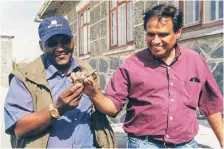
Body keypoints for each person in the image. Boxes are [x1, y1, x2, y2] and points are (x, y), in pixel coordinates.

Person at [70, 4, 223, 148]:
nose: (155, 41)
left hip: (186, 144)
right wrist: (93, 93)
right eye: (150, 34)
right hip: (144, 144)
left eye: (163, 35)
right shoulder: (132, 65)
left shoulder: (194, 60)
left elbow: (211, 106)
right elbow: (112, 107)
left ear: (178, 32)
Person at [4, 16, 115, 148]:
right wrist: (57, 108)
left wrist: (93, 93)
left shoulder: (87, 71)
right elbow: (19, 129)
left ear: (72, 41)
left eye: (65, 41)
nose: (60, 48)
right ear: (41, 46)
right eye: (52, 43)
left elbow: (106, 113)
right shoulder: (25, 78)